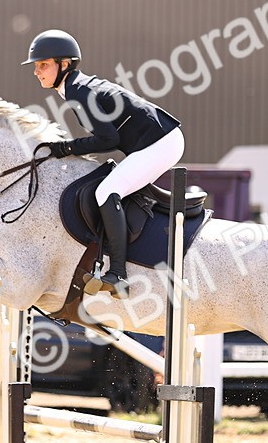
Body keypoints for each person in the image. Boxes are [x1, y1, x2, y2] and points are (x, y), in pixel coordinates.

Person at [23, 29, 184, 299]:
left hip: (162, 142)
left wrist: (67, 147)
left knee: (106, 191)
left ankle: (118, 274)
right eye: (36, 66)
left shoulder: (79, 91)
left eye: (43, 65)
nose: (37, 71)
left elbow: (108, 139)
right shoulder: (75, 87)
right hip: (155, 141)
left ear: (64, 65)